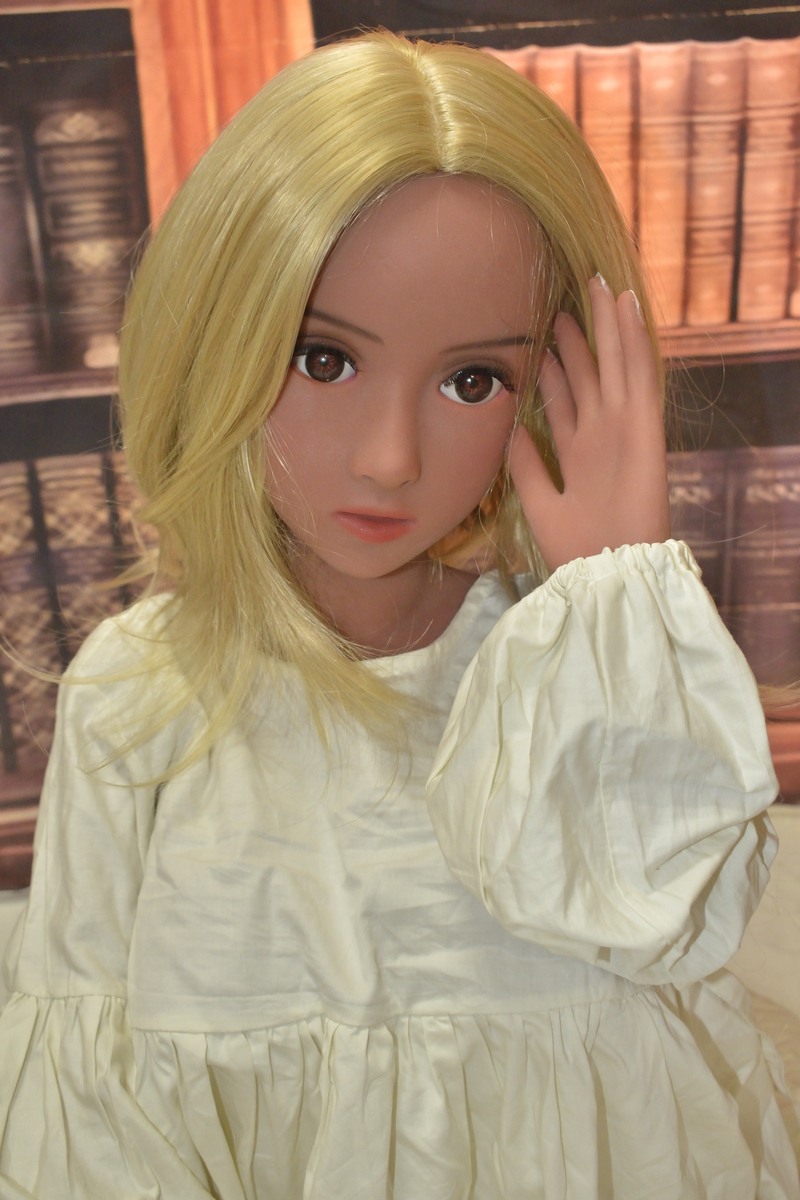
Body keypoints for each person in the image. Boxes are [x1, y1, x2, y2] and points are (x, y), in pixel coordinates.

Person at [0, 30, 797, 1199]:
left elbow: (658, 917)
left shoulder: (555, 669)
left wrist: (612, 583)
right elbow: (86, 1119)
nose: (387, 459)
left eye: (472, 381)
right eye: (322, 359)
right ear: (216, 333)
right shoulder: (139, 693)